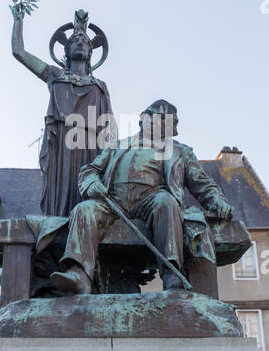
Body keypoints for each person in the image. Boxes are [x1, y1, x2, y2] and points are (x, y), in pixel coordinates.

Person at [50, 99, 233, 294]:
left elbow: (203, 183)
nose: (155, 122)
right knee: (84, 209)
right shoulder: (118, 146)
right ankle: (79, 275)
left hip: (151, 198)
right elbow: (90, 170)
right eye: (153, 117)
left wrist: (218, 201)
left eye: (164, 120)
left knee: (167, 202)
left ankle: (172, 274)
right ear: (143, 119)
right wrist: (92, 183)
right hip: (112, 201)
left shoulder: (181, 152)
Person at [12, 8, 114, 216]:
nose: (79, 43)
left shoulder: (99, 85)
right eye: (75, 41)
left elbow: (110, 127)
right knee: (61, 197)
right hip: (62, 145)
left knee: (87, 200)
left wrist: (112, 158)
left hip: (91, 147)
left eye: (84, 42)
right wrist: (18, 21)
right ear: (66, 51)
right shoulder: (54, 75)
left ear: (90, 53)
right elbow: (19, 52)